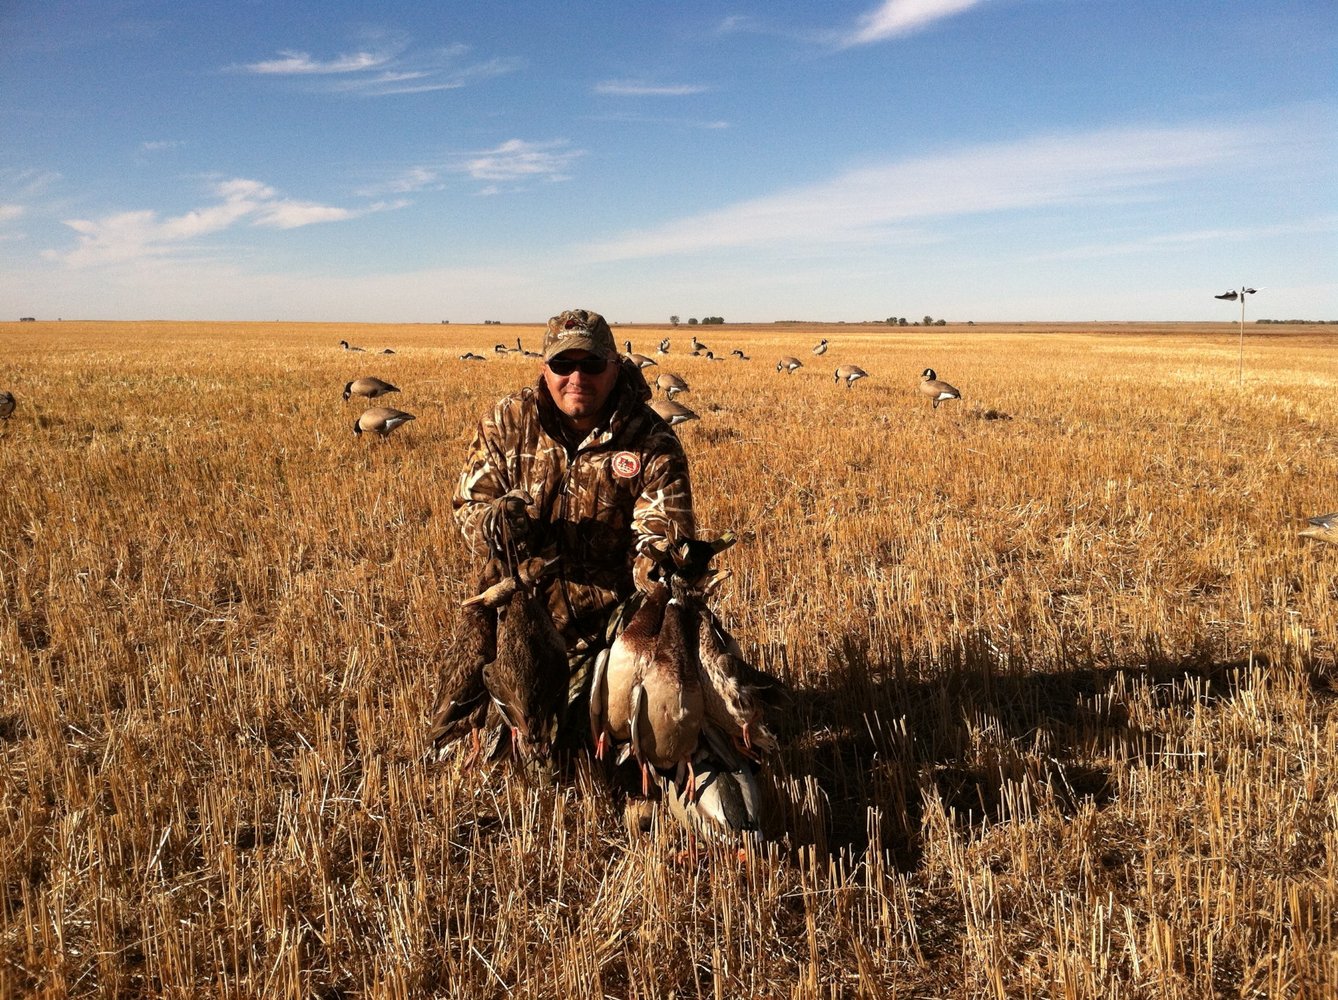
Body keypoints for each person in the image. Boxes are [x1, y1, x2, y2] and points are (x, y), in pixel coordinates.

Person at [435, 308, 696, 762]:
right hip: (520, 623)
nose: (578, 377)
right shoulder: (508, 422)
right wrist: (495, 523)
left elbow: (664, 535)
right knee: (477, 750)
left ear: (615, 367)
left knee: (640, 745)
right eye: (563, 365)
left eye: (592, 365)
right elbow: (467, 507)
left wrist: (657, 563)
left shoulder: (652, 442)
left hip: (608, 629)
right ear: (544, 367)